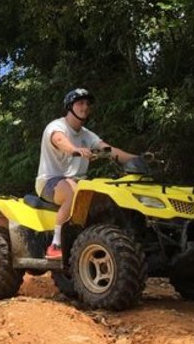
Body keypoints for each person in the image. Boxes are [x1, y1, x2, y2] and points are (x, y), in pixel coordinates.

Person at [36, 88, 136, 260]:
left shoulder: (86, 135)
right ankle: (55, 244)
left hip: (79, 182)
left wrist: (136, 159)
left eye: (87, 104)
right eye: (80, 103)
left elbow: (108, 149)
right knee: (73, 192)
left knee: (106, 195)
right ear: (70, 106)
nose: (85, 107)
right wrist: (74, 149)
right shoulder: (57, 127)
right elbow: (60, 141)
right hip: (50, 181)